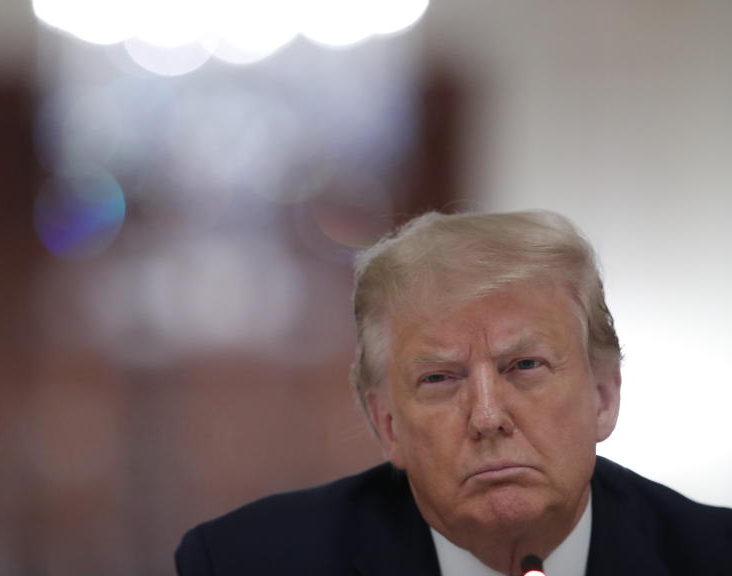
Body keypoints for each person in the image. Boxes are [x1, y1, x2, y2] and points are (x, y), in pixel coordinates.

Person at [175, 210, 732, 576]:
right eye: (440, 378)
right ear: (388, 425)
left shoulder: (712, 556)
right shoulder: (244, 563)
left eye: (525, 366)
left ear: (603, 397)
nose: (487, 416)